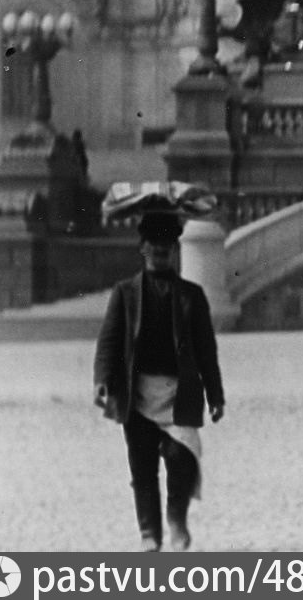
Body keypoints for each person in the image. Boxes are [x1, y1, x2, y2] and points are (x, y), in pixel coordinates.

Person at [92, 210, 225, 550]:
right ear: (143, 248)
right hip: (136, 394)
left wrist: (216, 395)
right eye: (154, 245)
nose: (161, 251)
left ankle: (176, 521)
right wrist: (103, 381)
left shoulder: (191, 296)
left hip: (178, 394)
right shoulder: (125, 293)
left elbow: (206, 349)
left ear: (175, 250)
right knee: (143, 468)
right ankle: (149, 534)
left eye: (167, 245)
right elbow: (109, 340)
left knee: (181, 457)